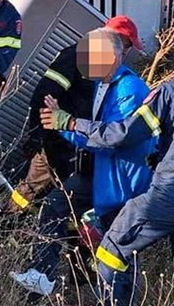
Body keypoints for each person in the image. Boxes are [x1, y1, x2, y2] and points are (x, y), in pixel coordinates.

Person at [11, 27, 156, 296]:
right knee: (56, 204)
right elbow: (91, 137)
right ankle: (41, 274)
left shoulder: (130, 88)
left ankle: (115, 299)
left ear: (111, 57)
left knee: (118, 258)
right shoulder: (102, 85)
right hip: (100, 175)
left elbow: (114, 137)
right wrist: (61, 124)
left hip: (123, 185)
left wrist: (69, 122)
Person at [42, 81, 174, 305]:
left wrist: (71, 123)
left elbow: (123, 134)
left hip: (166, 195)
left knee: (113, 249)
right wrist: (161, 156)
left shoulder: (168, 92)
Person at [10, 15, 144, 211]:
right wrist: (37, 136)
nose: (125, 50)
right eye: (125, 44)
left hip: (75, 139)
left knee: (60, 196)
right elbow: (44, 94)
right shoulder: (76, 56)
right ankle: (6, 223)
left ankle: (32, 227)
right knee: (37, 189)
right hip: (57, 138)